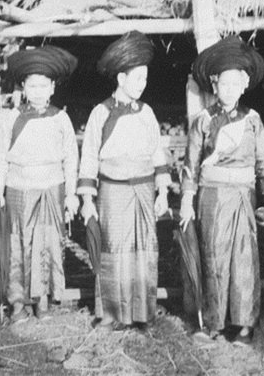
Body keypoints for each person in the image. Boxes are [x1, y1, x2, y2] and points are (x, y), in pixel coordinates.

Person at [181, 36, 264, 345]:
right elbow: (191, 164)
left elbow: (263, 160)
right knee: (214, 255)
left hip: (243, 197)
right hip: (212, 197)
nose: (230, 90)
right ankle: (214, 323)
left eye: (236, 85)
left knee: (243, 258)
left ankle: (245, 325)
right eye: (224, 84)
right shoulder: (204, 121)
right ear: (214, 84)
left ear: (245, 85)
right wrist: (186, 199)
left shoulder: (253, 120)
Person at [78, 30, 171, 330]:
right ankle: (111, 313)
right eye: (137, 78)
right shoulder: (100, 113)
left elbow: (158, 153)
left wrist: (163, 193)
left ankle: (143, 312)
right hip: (113, 191)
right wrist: (87, 201)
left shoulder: (148, 113)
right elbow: (90, 156)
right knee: (114, 249)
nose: (143, 85)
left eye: (146, 79)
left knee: (145, 248)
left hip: (143, 189)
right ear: (120, 78)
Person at [0, 45, 79, 323]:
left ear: (52, 88)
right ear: (24, 87)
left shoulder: (61, 119)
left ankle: (44, 300)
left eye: (43, 86)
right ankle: (17, 303)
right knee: (17, 245)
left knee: (47, 244)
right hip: (19, 188)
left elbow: (71, 157)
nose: (38, 91)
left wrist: (71, 193)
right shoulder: (12, 119)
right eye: (32, 85)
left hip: (52, 187)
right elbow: (0, 156)